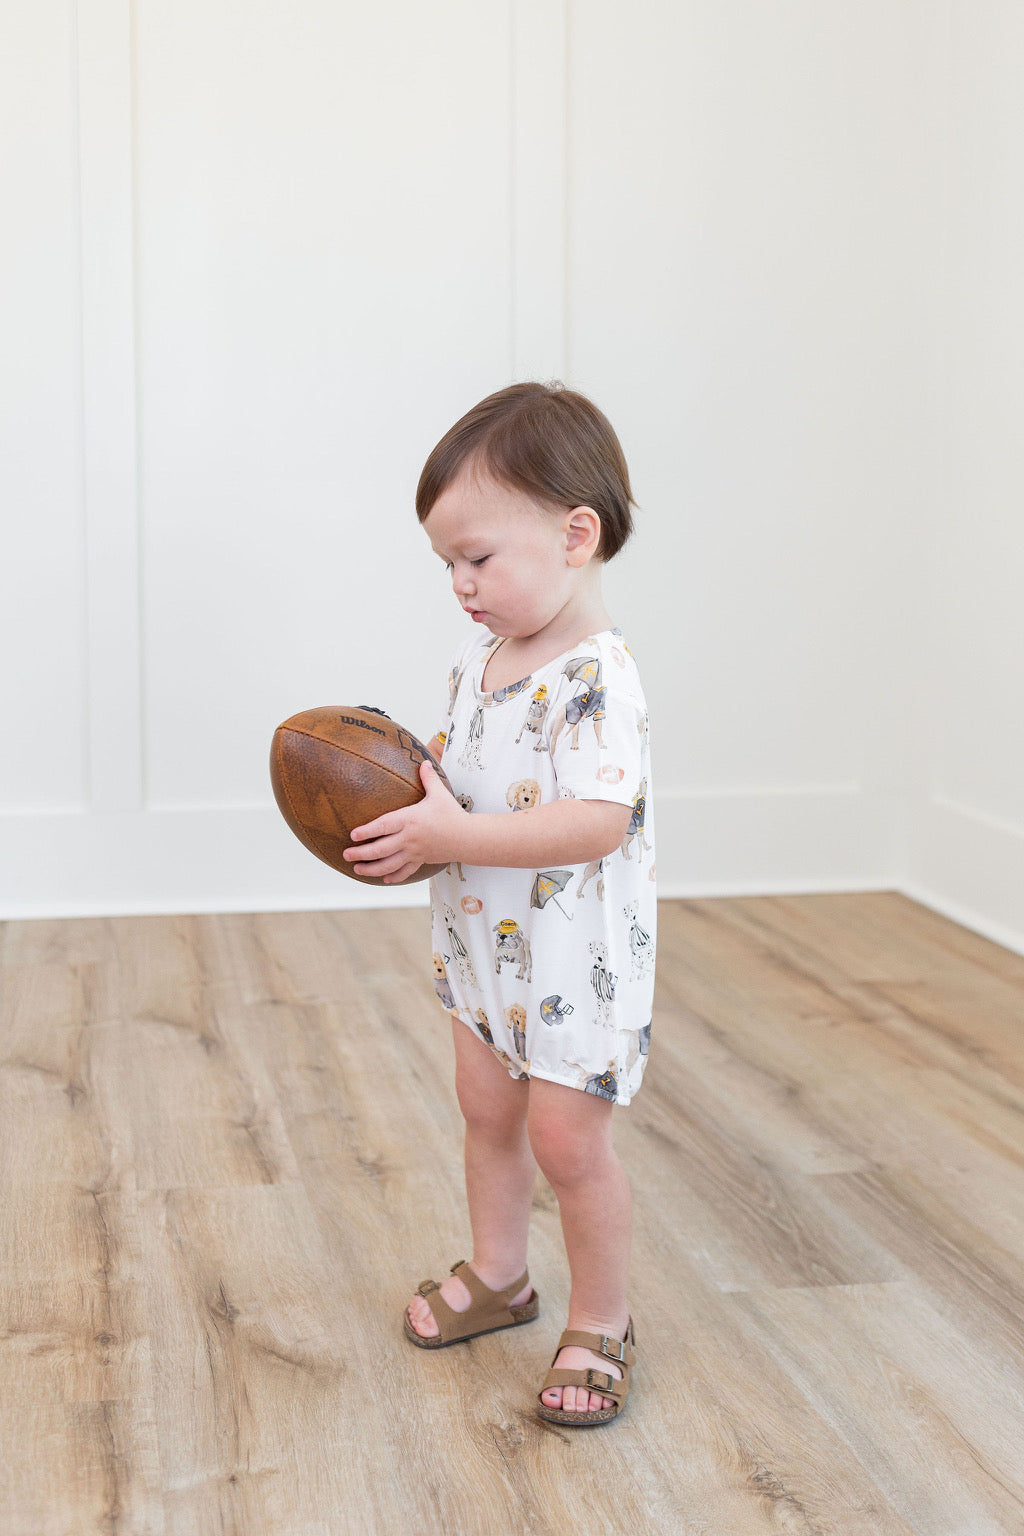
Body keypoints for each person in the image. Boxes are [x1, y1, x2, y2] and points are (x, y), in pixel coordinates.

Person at [343, 382, 656, 1426]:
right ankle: (501, 1274)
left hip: (573, 964)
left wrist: (457, 837)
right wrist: (410, 817)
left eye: (477, 559)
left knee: (568, 1145)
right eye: (446, 565)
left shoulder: (596, 679)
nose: (459, 586)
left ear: (576, 536)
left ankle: (602, 1318)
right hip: (486, 949)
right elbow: (466, 786)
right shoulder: (479, 664)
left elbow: (594, 823)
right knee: (486, 1115)